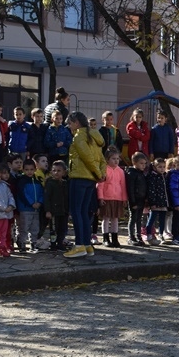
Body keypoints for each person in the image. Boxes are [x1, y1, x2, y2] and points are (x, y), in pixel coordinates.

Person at [64, 111, 106, 259]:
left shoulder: (79, 137)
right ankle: (87, 245)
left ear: (76, 123)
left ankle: (79, 245)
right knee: (83, 212)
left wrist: (99, 174)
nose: (69, 126)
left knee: (76, 211)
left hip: (79, 177)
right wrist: (100, 174)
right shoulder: (94, 137)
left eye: (70, 123)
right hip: (90, 180)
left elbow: (87, 158)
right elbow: (101, 159)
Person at [97, 149, 128, 247]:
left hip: (117, 198)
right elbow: (100, 185)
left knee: (115, 218)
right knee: (106, 218)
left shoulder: (120, 171)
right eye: (113, 158)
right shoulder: (104, 169)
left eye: (117, 159)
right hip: (107, 198)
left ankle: (115, 238)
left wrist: (124, 198)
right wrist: (100, 197)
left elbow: (123, 186)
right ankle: (106, 238)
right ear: (107, 159)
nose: (116, 161)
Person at [15, 160, 44, 252]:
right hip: (25, 208)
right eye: (27, 169)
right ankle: (22, 243)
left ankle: (34, 243)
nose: (29, 172)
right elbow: (23, 194)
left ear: (35, 169)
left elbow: (42, 193)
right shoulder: (22, 181)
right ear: (23, 170)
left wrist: (40, 202)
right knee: (24, 227)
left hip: (36, 209)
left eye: (31, 169)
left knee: (35, 227)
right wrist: (31, 203)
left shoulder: (38, 181)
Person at [43, 161, 69, 251]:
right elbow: (47, 197)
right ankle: (53, 244)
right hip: (54, 210)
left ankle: (60, 243)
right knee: (54, 228)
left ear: (64, 172)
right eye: (54, 170)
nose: (56, 173)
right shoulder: (50, 183)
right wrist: (48, 210)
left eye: (59, 171)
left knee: (62, 228)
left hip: (63, 210)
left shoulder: (65, 183)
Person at [145, 157, 169, 246]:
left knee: (162, 219)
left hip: (163, 202)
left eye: (163, 167)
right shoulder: (152, 177)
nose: (162, 169)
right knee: (152, 219)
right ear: (155, 167)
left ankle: (161, 234)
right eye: (160, 167)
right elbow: (151, 191)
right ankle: (148, 234)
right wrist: (152, 203)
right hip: (155, 203)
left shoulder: (164, 176)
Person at [126, 152, 148, 246]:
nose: (143, 166)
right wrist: (132, 202)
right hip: (134, 200)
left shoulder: (142, 174)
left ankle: (138, 235)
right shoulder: (132, 174)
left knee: (139, 218)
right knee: (133, 218)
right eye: (141, 163)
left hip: (141, 199)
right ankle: (131, 237)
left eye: (144, 163)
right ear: (135, 163)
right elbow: (130, 189)